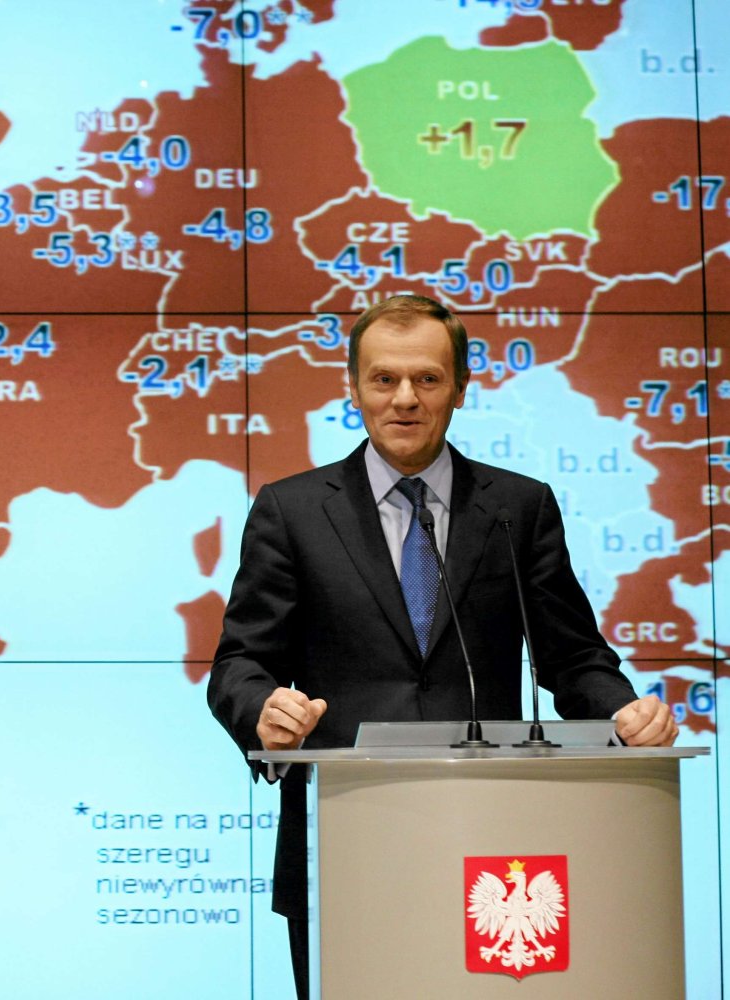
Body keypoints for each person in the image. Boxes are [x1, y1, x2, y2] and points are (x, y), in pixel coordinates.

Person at [206, 294, 676, 999]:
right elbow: (241, 661)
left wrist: (625, 714)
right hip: (345, 835)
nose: (404, 399)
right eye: (383, 379)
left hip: (496, 841)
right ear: (353, 387)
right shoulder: (292, 510)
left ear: (460, 386)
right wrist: (261, 712)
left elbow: (573, 655)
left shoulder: (518, 507)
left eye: (427, 379)